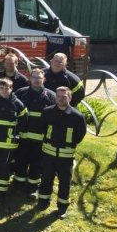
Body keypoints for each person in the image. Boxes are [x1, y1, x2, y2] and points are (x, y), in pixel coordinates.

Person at [36, 86, 86, 218]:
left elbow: (80, 135)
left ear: (69, 98)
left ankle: (62, 207)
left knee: (65, 182)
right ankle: (43, 201)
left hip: (66, 155)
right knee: (46, 178)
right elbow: (42, 128)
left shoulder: (77, 116)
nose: (60, 99)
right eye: (58, 96)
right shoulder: (47, 112)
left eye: (64, 97)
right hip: (48, 153)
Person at [13, 68, 56, 195]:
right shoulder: (21, 93)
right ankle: (18, 184)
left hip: (41, 138)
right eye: (34, 77)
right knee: (20, 160)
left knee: (37, 163)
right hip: (23, 137)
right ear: (30, 78)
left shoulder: (51, 96)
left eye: (39, 78)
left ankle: (33, 186)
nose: (37, 80)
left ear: (44, 79)